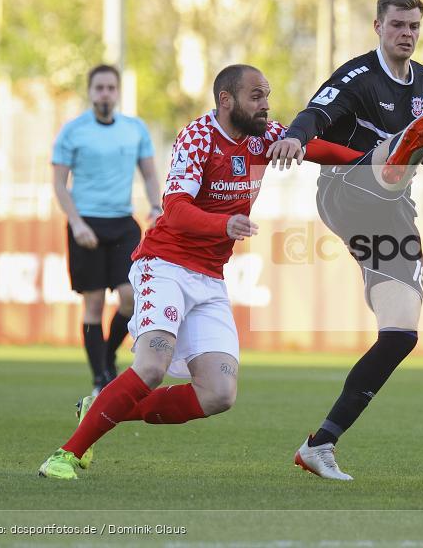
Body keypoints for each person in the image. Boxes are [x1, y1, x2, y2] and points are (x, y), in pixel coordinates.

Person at [38, 64, 312, 479]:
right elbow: (176, 209)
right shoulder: (198, 136)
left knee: (219, 394)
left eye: (267, 95)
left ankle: (99, 408)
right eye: (256, 96)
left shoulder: (266, 135)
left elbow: (319, 147)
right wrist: (224, 224)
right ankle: (65, 455)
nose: (265, 105)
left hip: (210, 278)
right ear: (226, 100)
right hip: (164, 264)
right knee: (151, 365)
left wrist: (377, 158)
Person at [268, 0, 423, 481]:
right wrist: (295, 135)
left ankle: (321, 443)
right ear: (377, 26)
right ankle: (392, 154)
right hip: (345, 191)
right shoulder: (357, 76)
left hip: (392, 215)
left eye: (414, 26)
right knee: (393, 153)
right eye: (397, 25)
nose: (407, 35)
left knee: (401, 335)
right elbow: (318, 113)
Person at [52, 64, 162, 395]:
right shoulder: (73, 131)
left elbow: (150, 175)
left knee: (130, 298)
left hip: (123, 223)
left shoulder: (134, 129)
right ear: (90, 92)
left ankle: (108, 354)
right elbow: (59, 183)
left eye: (110, 88)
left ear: (118, 92)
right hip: (86, 223)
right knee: (94, 304)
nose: (105, 93)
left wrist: (156, 207)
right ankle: (100, 377)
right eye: (99, 88)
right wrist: (76, 223)